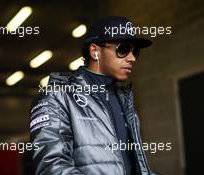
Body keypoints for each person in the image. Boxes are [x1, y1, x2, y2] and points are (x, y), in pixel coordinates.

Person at [29, 16, 154, 175]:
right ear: (95, 51)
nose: (132, 58)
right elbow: (52, 168)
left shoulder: (124, 101)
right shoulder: (56, 97)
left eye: (135, 51)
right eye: (123, 49)